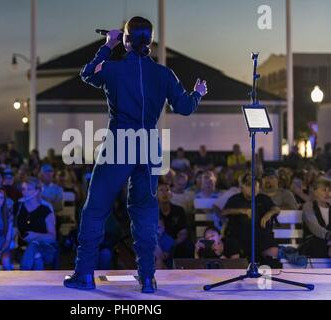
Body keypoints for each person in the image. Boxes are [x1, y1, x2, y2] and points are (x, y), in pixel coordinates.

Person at [64, 16, 207, 293]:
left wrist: (108, 45)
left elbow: (87, 73)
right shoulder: (164, 74)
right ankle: (148, 278)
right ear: (150, 42)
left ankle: (84, 274)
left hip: (120, 142)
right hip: (149, 145)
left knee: (96, 208)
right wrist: (197, 93)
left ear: (126, 41)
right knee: (145, 211)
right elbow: (185, 107)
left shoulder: (114, 69)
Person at [222, 173, 280, 263]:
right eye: (249, 185)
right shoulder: (235, 199)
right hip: (239, 236)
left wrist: (268, 214)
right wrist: (242, 211)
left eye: (255, 185)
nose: (252, 189)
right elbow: (224, 212)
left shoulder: (263, 198)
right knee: (232, 247)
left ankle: (267, 274)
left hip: (261, 237)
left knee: (272, 250)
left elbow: (276, 209)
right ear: (243, 187)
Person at [16, 177, 58, 270]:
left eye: (29, 189)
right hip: (22, 247)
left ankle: (23, 275)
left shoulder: (45, 209)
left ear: (37, 191)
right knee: (37, 258)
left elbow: (52, 237)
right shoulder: (18, 206)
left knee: (34, 245)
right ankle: (36, 282)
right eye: (23, 189)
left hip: (45, 247)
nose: (25, 192)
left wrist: (35, 235)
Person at [301, 178, 331, 258]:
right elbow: (314, 227)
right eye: (324, 190)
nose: (328, 193)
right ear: (315, 192)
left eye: (330, 190)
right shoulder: (308, 207)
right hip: (313, 243)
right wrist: (328, 236)